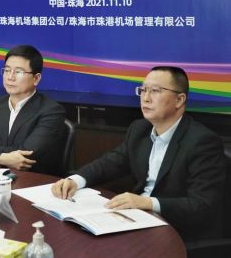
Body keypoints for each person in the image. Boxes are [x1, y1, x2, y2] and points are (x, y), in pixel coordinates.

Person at [51, 66, 226, 242]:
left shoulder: (202, 142)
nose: (146, 98)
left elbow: (201, 205)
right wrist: (76, 180)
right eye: (143, 90)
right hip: (137, 219)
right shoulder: (140, 129)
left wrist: (147, 203)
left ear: (179, 100)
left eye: (155, 91)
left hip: (177, 232)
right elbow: (111, 162)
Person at [0, 45, 66, 175]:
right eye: (7, 70)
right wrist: (2, 158)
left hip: (33, 181)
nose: (10, 77)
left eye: (18, 72)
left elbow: (27, 155)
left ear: (36, 78)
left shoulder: (51, 111)